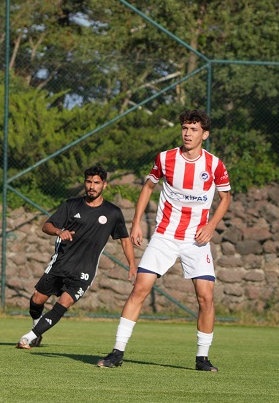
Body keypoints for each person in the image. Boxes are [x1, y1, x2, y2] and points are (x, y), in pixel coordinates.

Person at [97, 109, 231, 372]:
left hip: (196, 240)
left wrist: (211, 225)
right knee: (139, 288)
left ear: (205, 134)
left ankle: (202, 358)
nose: (187, 133)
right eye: (185, 128)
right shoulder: (165, 158)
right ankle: (117, 352)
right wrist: (136, 224)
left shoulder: (214, 164)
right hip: (165, 236)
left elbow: (226, 198)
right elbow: (148, 187)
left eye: (193, 129)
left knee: (206, 297)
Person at [16, 166, 135, 349]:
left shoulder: (113, 213)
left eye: (96, 183)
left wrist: (132, 265)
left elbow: (125, 241)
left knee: (63, 303)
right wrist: (59, 231)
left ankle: (29, 337)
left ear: (104, 185)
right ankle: (36, 327)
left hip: (84, 271)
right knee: (36, 300)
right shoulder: (71, 205)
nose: (92, 186)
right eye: (88, 182)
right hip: (60, 263)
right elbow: (46, 226)